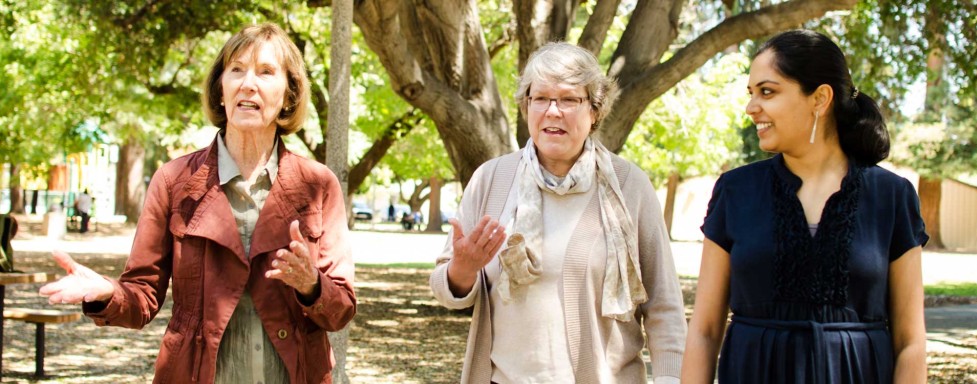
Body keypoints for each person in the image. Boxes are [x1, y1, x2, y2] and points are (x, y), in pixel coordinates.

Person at [39, 23, 356, 383]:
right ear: (221, 90)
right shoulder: (174, 181)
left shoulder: (318, 184)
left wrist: (311, 284)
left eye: (266, 72)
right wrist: (107, 293)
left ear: (288, 95)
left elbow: (341, 309)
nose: (247, 83)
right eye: (236, 70)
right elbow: (141, 297)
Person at [681, 30, 928, 383]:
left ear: (820, 99)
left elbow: (910, 342)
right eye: (751, 94)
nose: (752, 107)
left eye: (767, 91)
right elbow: (704, 331)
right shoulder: (735, 191)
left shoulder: (892, 196)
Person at [430, 42, 686, 384]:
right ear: (526, 107)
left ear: (594, 110)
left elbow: (664, 304)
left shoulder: (629, 186)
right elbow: (446, 288)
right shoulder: (492, 179)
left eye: (569, 99)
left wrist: (670, 378)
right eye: (540, 98)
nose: (553, 111)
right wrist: (461, 269)